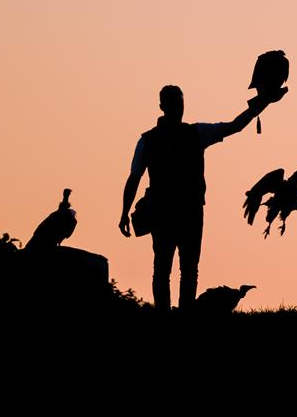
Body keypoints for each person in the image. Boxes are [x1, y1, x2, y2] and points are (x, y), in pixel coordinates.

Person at [119, 84, 285, 310]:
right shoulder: (190, 134)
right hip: (181, 213)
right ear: (163, 107)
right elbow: (134, 179)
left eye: (180, 102)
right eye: (175, 102)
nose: (179, 106)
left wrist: (261, 104)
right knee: (174, 269)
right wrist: (123, 213)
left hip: (178, 213)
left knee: (174, 269)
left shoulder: (154, 139)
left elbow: (234, 126)